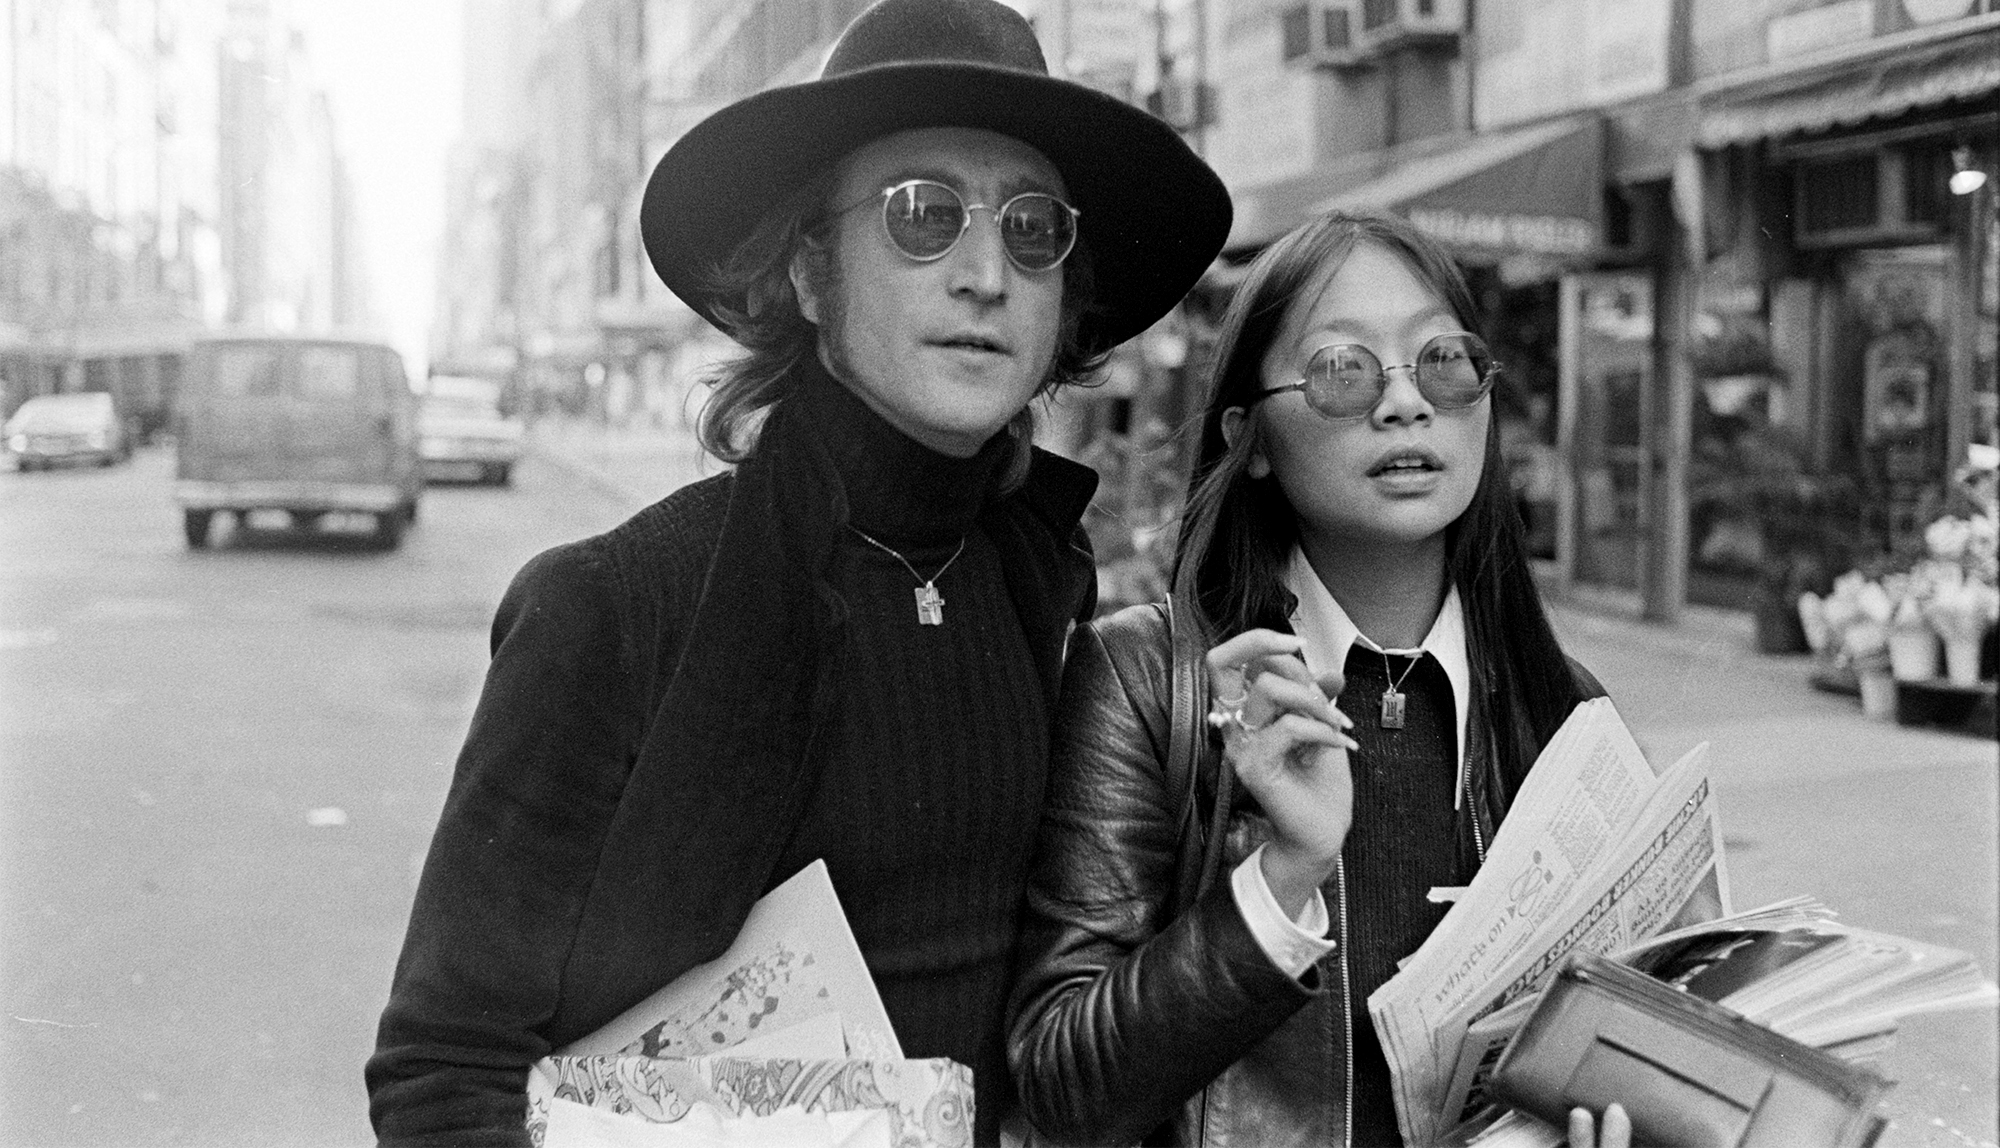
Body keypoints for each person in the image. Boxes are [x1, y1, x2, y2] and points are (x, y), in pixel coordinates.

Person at [364, 1, 1231, 1143]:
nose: (986, 273)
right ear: (812, 271)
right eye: (923, 214)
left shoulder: (1043, 581)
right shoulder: (615, 606)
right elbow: (443, 1074)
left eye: (1032, 229)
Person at [1006, 211, 1630, 1147]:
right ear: (1250, 437)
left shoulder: (1563, 709)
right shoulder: (1149, 681)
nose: (1406, 403)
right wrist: (1282, 876)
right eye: (1344, 369)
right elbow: (1061, 1084)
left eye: (1442, 361)